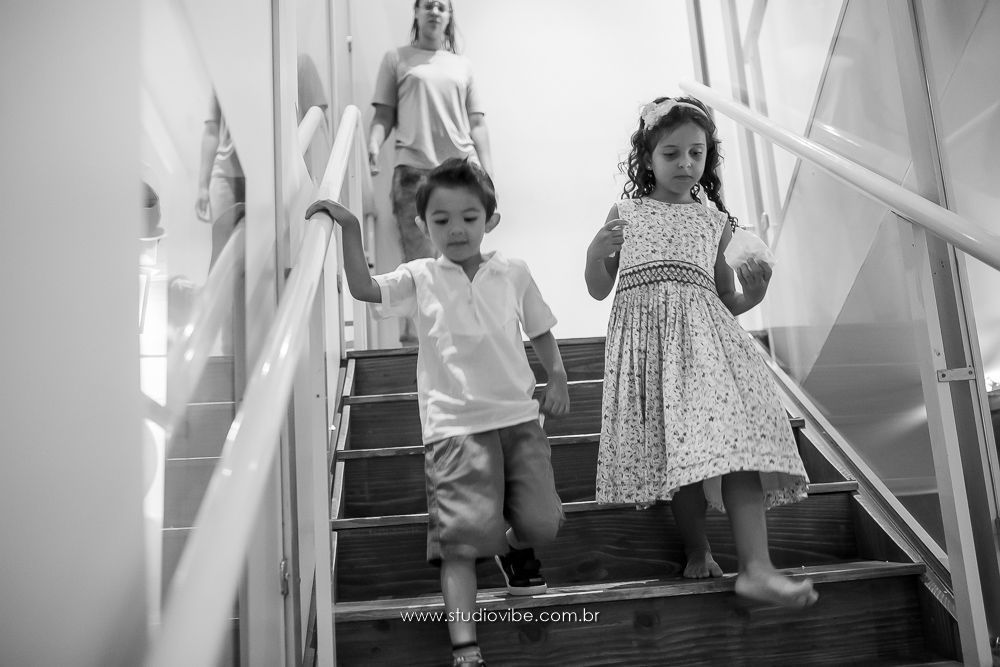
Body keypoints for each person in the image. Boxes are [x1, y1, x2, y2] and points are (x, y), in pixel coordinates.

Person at [308, 158, 567, 667]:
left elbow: (539, 329)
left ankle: (512, 546)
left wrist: (556, 375)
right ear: (422, 225)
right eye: (441, 220)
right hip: (454, 430)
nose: (456, 230)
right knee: (459, 545)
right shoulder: (420, 276)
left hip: (519, 420)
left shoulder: (513, 272)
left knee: (543, 524)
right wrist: (351, 227)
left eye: (469, 217)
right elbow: (364, 289)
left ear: (490, 219)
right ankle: (465, 649)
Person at [584, 96, 818, 609]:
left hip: (709, 350)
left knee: (738, 439)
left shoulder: (715, 223)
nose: (686, 164)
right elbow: (599, 290)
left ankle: (757, 568)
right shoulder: (627, 213)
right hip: (650, 352)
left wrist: (753, 296)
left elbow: (724, 299)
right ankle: (697, 548)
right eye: (671, 154)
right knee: (680, 456)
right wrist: (593, 257)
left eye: (697, 153)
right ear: (647, 158)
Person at [368, 0, 494, 345]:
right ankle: (417, 343)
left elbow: (477, 123)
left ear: (449, 15)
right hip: (414, 174)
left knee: (463, 260)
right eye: (428, 5)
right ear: (417, 12)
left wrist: (488, 172)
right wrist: (373, 145)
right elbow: (383, 115)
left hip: (461, 173)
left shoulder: (462, 65)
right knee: (420, 264)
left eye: (441, 6)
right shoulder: (396, 59)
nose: (434, 11)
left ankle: (462, 340)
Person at [195, 93, 245, 269]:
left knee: (259, 254)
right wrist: (202, 186)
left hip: (266, 172)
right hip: (225, 174)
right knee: (222, 255)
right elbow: (212, 130)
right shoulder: (225, 77)